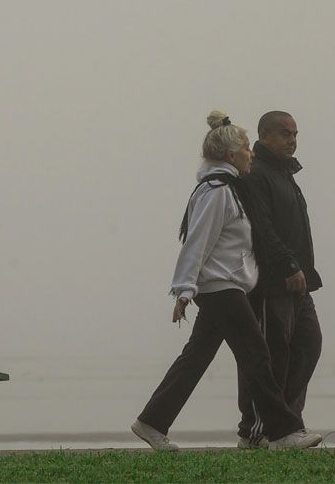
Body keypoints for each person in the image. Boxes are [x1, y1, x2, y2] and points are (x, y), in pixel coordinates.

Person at [131, 110, 322, 451]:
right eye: (248, 147)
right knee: (257, 356)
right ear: (231, 154)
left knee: (196, 358)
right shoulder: (217, 191)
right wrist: (184, 290)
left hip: (229, 287)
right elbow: (197, 242)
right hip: (221, 288)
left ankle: (151, 422)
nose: (251, 153)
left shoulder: (232, 189)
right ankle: (282, 432)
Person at [236, 111, 323, 448]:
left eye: (295, 134)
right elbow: (262, 228)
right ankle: (256, 431)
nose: (292, 140)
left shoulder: (285, 174)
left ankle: (287, 424)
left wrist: (300, 269)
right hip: (272, 283)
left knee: (308, 346)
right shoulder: (256, 174)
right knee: (270, 357)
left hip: (300, 283)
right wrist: (287, 265)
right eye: (285, 134)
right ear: (264, 135)